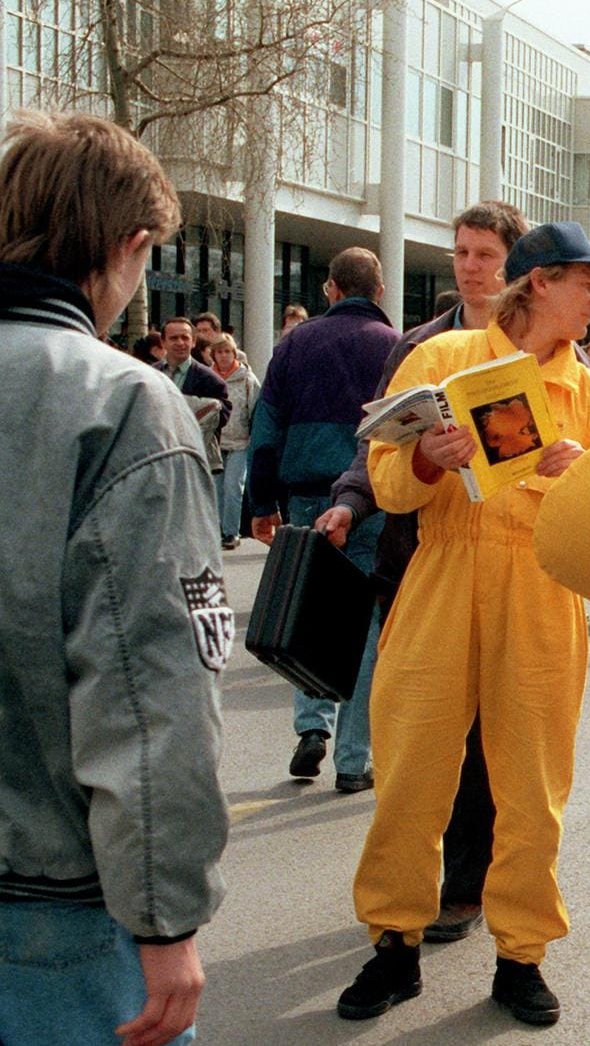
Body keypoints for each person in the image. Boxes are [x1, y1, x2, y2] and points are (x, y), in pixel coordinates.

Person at [338, 221, 590, 1027]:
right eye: (585, 282)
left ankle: (521, 955)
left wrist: (583, 484)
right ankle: (394, 944)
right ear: (538, 283)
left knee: (532, 785)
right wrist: (429, 456)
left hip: (540, 589)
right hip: (442, 569)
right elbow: (390, 484)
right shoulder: (439, 362)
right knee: (410, 770)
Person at [0, 109, 228, 1046]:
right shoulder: (124, 402)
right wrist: (165, 915)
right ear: (129, 247)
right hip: (57, 902)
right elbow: (149, 688)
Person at [318, 199, 532, 944]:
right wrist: (348, 501)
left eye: (486, 254)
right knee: (414, 732)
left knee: (484, 744)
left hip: (506, 570)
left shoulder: (529, 353)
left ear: (516, 263)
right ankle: (403, 894)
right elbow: (374, 441)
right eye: (462, 252)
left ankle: (467, 885)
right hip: (414, 558)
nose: (471, 267)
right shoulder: (417, 345)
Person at [249, 247, 400, 792]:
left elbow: (264, 429)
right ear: (379, 292)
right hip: (370, 498)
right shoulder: (394, 348)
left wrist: (261, 503)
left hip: (308, 494)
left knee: (307, 611)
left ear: (331, 288)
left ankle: (312, 725)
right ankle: (354, 761)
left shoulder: (295, 344)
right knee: (363, 626)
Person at [207, 333, 261, 550]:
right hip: (215, 443)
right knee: (216, 489)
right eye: (219, 352)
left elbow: (256, 408)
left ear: (234, 352)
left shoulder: (247, 379)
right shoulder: (208, 378)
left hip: (240, 440)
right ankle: (218, 530)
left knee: (233, 487)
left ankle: (231, 531)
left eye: (227, 351)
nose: (223, 356)